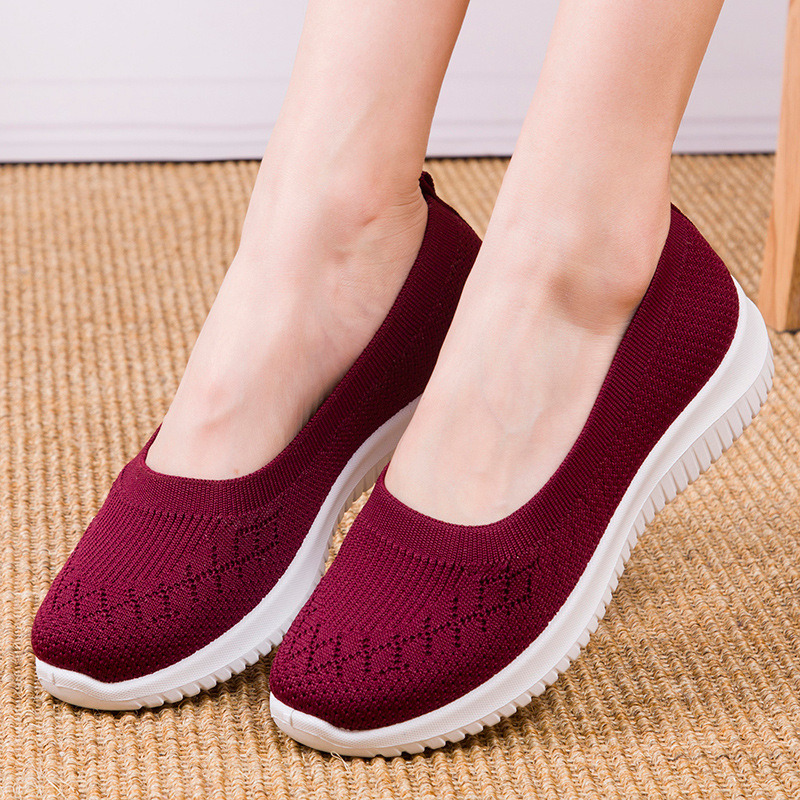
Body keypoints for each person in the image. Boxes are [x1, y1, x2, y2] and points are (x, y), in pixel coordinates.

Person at [32, 0, 772, 756]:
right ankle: (338, 224)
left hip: (614, 269)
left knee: (575, 223)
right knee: (335, 197)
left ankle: (581, 257)